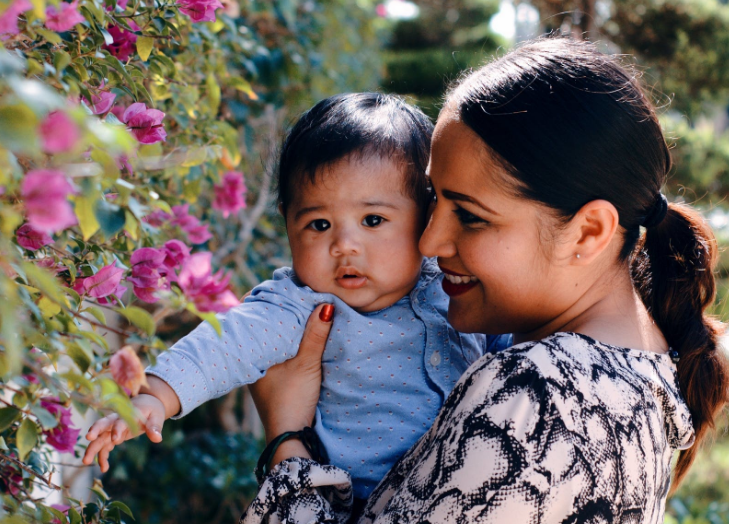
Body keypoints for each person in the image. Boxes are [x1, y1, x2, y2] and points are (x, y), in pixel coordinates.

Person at [240, 37, 729, 524]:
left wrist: (288, 439)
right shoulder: (645, 370)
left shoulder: (535, 397)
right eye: (434, 201)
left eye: (470, 217)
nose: (429, 243)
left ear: (588, 231)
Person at [82, 92, 509, 500]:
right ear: (289, 224)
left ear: (426, 217)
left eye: (373, 220)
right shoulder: (299, 305)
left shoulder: (451, 283)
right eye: (319, 225)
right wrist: (156, 394)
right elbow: (225, 344)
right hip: (351, 500)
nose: (345, 244)